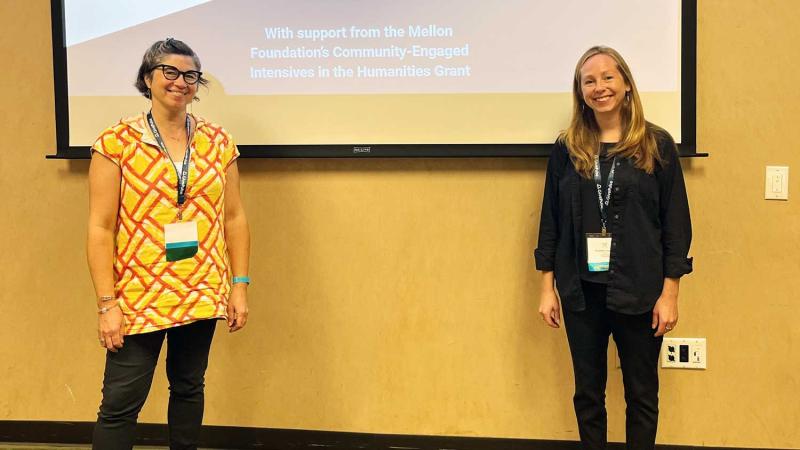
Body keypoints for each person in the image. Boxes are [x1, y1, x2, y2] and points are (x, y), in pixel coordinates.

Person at [86, 38, 250, 449]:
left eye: (190, 75)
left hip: (200, 287)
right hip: (139, 293)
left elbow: (234, 217)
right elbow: (100, 228)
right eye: (169, 72)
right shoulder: (116, 142)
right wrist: (107, 303)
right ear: (148, 78)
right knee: (121, 404)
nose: (180, 82)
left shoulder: (218, 142)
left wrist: (239, 283)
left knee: (189, 389)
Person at [534, 46, 692, 450]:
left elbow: (676, 225)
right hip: (581, 292)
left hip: (640, 291)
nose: (599, 87)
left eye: (607, 77)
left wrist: (670, 294)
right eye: (589, 80)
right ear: (580, 91)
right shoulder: (567, 149)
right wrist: (546, 288)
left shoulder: (657, 145)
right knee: (588, 394)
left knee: (641, 394)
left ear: (625, 85)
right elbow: (550, 222)